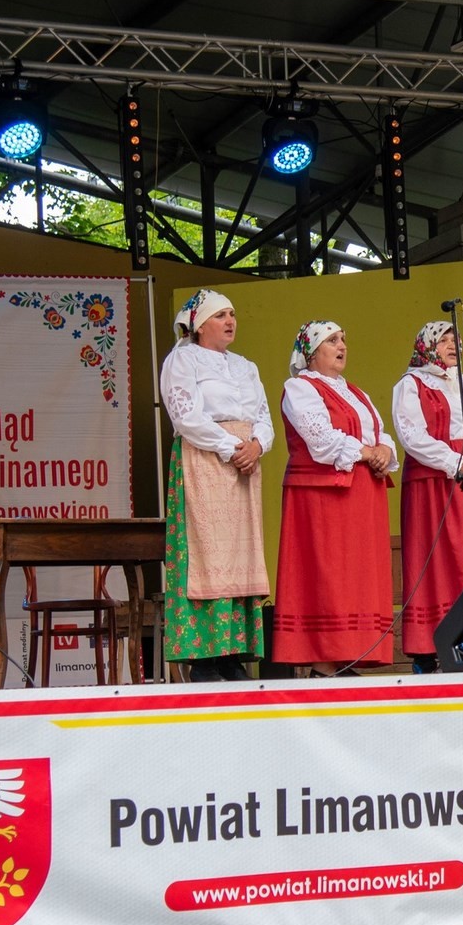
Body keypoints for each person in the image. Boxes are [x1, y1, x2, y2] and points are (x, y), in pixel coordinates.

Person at [159, 288, 272, 682]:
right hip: (205, 460)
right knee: (207, 557)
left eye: (232, 314)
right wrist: (231, 447)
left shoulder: (246, 366)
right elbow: (185, 416)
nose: (230, 321)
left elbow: (263, 415)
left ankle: (231, 654)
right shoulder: (182, 359)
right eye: (220, 315)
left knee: (241, 558)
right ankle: (204, 658)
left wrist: (257, 445)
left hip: (243, 467)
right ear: (199, 324)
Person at [273, 320, 398, 676]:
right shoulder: (300, 387)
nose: (342, 345)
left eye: (343, 339)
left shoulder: (355, 392)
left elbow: (380, 433)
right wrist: (367, 452)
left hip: (361, 495)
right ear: (311, 352)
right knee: (327, 573)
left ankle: (346, 657)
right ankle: (324, 663)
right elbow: (321, 439)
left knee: (355, 575)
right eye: (331, 340)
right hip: (323, 496)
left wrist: (383, 451)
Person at [391, 321, 463, 673]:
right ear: (426, 346)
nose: (453, 345)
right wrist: (455, 462)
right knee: (434, 559)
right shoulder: (412, 384)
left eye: (456, 339)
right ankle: (428, 650)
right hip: (432, 482)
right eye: (444, 340)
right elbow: (412, 436)